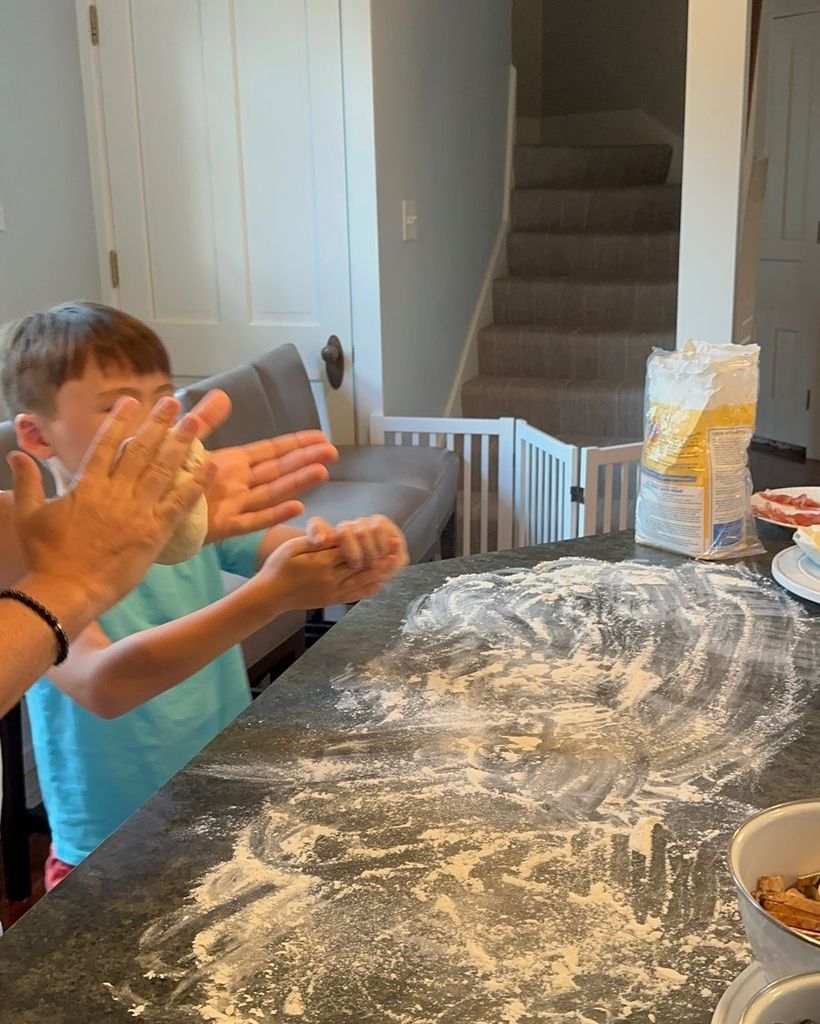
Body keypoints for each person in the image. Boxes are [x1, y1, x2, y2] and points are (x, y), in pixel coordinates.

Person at [0, 301, 409, 889]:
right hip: (110, 848)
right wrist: (264, 600)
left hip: (218, 804)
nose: (155, 426)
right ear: (38, 436)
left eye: (166, 400)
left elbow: (290, 550)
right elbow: (105, 684)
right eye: (117, 408)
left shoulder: (186, 516)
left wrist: (358, 547)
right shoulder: (33, 559)